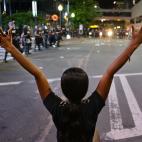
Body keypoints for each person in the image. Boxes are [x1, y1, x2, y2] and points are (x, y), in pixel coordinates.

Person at [0, 26, 142, 142]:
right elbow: (110, 72)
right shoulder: (91, 107)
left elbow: (37, 74)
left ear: (63, 89)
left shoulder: (57, 109)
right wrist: (134, 43)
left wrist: (10, 47)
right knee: (96, 133)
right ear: (86, 89)